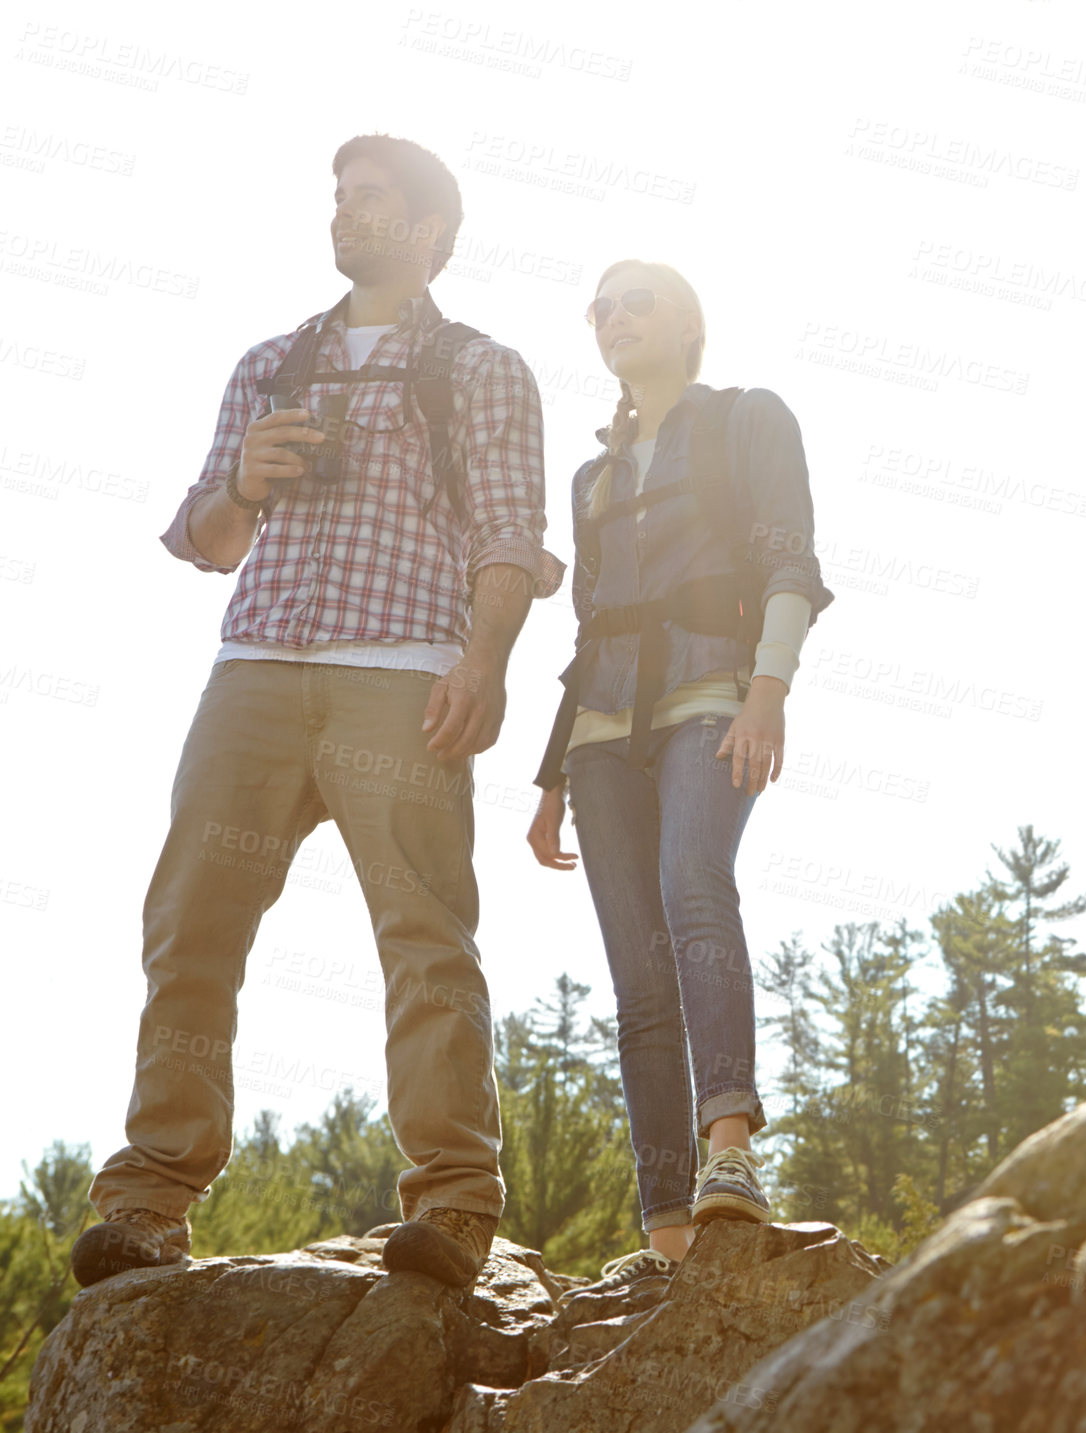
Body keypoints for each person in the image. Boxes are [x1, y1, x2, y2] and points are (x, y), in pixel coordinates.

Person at [69, 134, 563, 1291]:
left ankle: (451, 1204)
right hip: (253, 668)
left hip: (402, 674)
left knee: (426, 938)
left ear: (432, 229)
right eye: (341, 197)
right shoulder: (272, 363)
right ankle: (148, 1199)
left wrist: (483, 662)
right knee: (189, 924)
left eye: (373, 199)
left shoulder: (482, 368)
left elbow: (507, 535)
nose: (348, 213)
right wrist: (244, 481)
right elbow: (204, 538)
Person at [527, 260, 833, 1296]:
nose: (614, 316)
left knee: (693, 883)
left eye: (636, 299)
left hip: (713, 694)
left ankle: (731, 1149)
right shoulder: (592, 478)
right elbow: (587, 626)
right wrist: (549, 775)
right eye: (600, 307)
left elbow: (792, 561)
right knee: (635, 971)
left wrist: (769, 691)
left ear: (691, 324)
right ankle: (665, 1228)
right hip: (599, 734)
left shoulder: (748, 420)